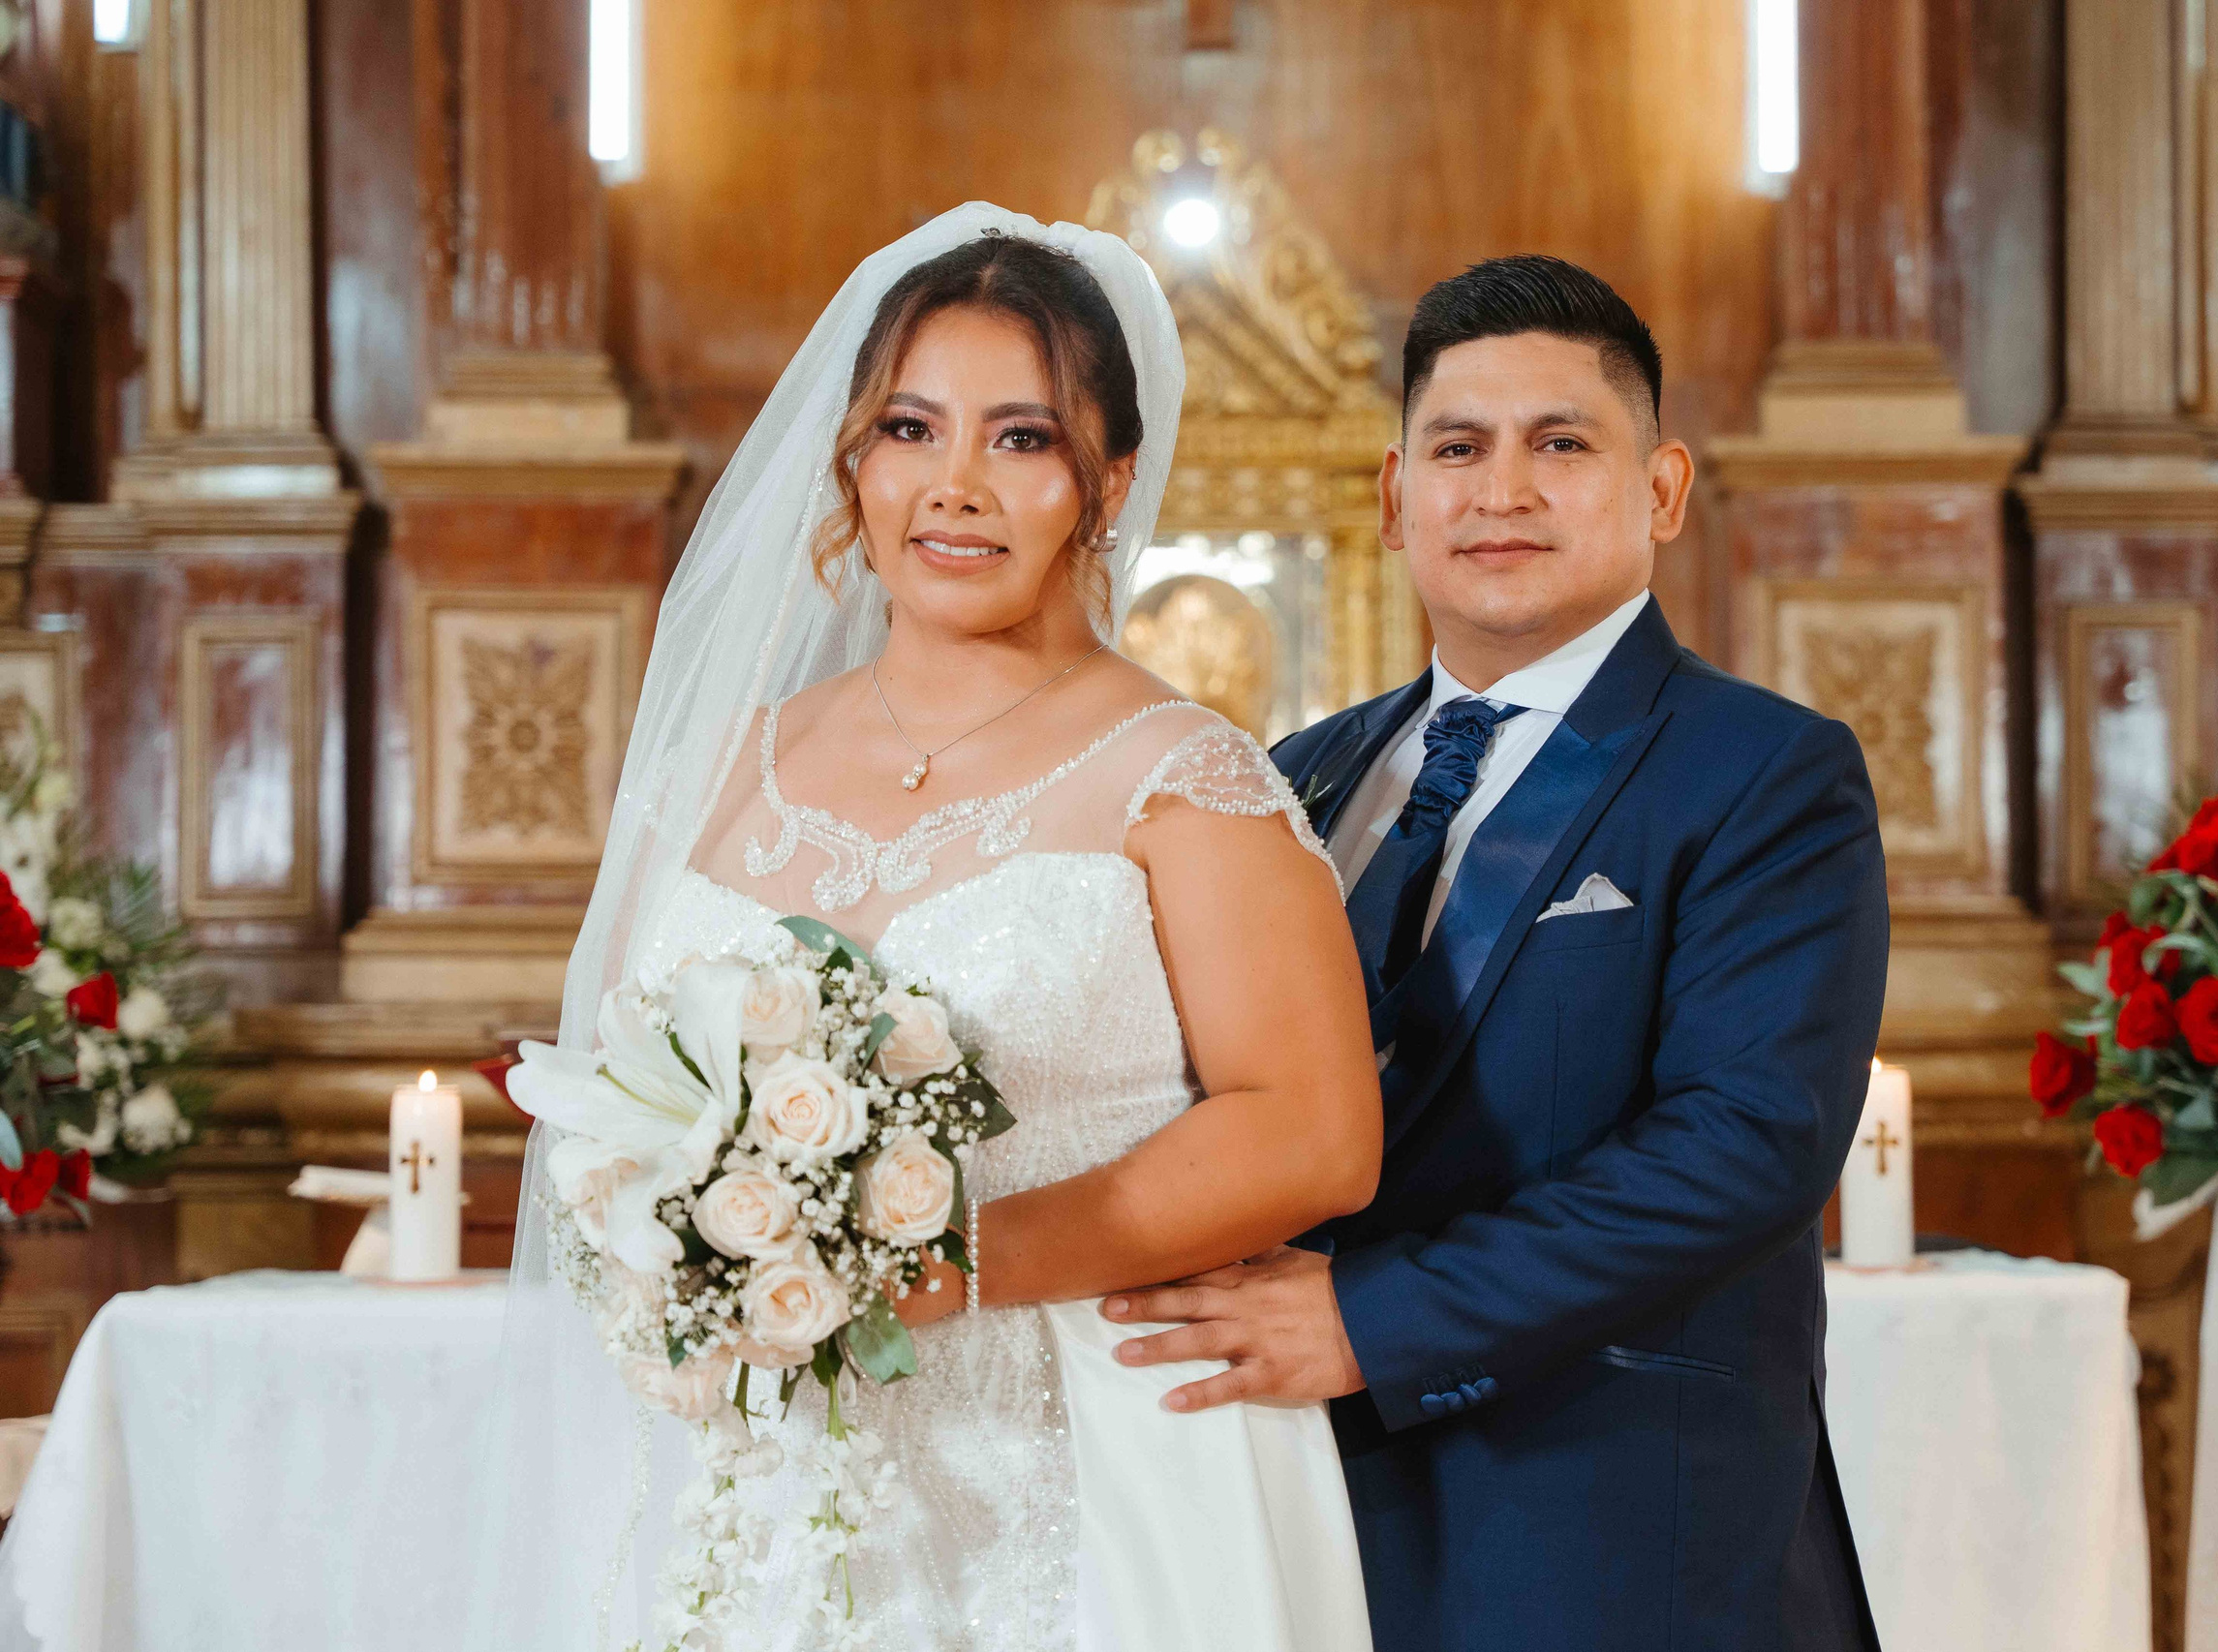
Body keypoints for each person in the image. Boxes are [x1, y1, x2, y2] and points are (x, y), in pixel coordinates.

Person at [472, 206, 1379, 1652]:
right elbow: (621, 1096)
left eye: (1021, 439)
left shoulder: (1185, 774)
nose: (955, 486)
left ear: (1109, 481)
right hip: (755, 1469)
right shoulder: (721, 762)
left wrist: (949, 1256)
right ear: (852, 460)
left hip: (1083, 1459)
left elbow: (1317, 1132)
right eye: (911, 427)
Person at [1104, 255, 1892, 1651]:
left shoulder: (1765, 772)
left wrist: (1371, 1316)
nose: (1503, 489)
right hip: (1295, 1506)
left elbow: (1744, 1144)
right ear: (1397, 496)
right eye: (1458, 447)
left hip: (1607, 1523)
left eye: (1562, 444)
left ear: (1661, 490)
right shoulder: (1292, 776)